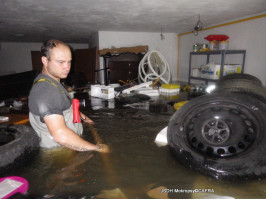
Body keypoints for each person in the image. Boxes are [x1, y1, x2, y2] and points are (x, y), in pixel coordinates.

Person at [28, 39, 109, 153]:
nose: (67, 67)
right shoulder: (45, 91)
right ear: (45, 60)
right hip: (60, 151)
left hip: (71, 144)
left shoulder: (52, 82)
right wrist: (97, 148)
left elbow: (64, 106)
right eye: (61, 62)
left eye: (69, 61)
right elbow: (60, 136)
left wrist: (84, 117)